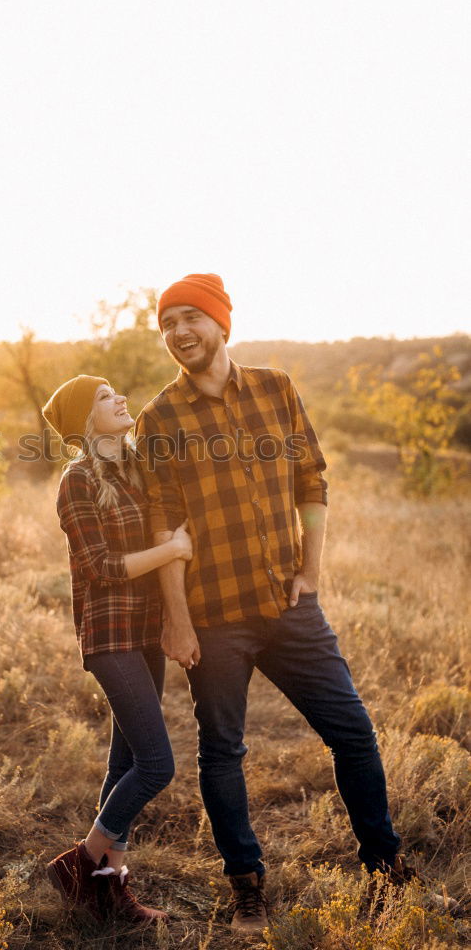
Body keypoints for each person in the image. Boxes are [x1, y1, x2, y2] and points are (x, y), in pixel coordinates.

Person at [134, 273, 403, 935]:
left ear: (221, 323)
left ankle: (385, 863)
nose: (179, 334)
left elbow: (311, 479)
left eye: (190, 319)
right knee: (222, 750)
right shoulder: (159, 419)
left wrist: (308, 571)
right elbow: (162, 527)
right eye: (167, 324)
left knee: (351, 732)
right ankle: (246, 886)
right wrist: (176, 617)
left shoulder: (275, 389)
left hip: (288, 606)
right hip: (215, 614)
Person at [41, 373, 192, 926]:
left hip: (146, 632)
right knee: (156, 765)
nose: (120, 398)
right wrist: (173, 548)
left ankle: (110, 890)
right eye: (105, 397)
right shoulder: (76, 481)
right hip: (110, 637)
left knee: (124, 762)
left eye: (115, 391)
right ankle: (79, 863)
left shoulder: (133, 470)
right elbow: (100, 568)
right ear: (86, 419)